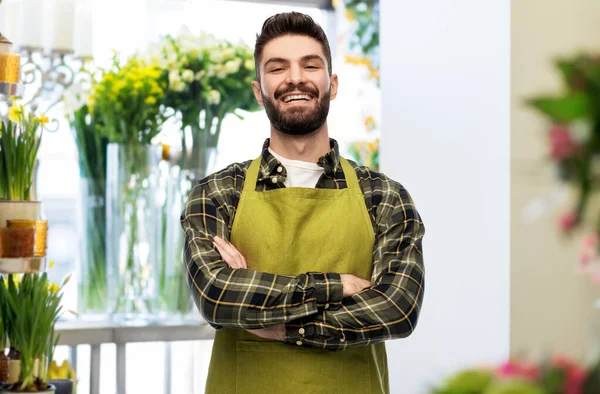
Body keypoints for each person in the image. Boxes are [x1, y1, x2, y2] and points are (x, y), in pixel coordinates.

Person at [180, 11, 425, 394]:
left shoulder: (384, 196)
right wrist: (337, 286)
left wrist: (274, 325)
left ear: (333, 84)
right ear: (259, 90)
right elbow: (216, 295)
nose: (295, 77)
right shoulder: (217, 193)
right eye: (277, 68)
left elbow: (397, 308)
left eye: (310, 65)